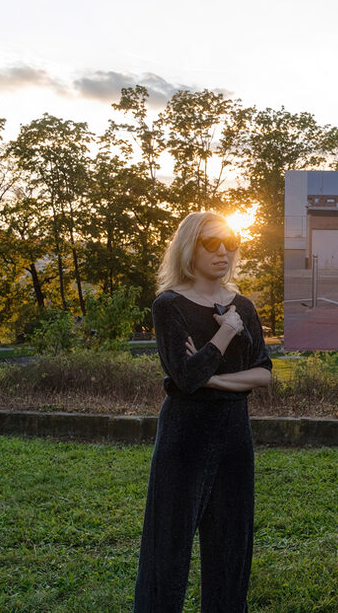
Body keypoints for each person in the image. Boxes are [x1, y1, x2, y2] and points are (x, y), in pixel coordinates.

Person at [134, 212, 272, 612]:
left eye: (230, 242)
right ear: (189, 247)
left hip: (233, 433)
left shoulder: (243, 305)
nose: (223, 251)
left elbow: (262, 373)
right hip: (184, 436)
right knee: (167, 545)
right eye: (211, 243)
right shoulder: (169, 306)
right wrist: (225, 333)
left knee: (232, 544)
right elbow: (185, 375)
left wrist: (210, 378)